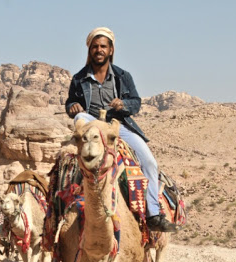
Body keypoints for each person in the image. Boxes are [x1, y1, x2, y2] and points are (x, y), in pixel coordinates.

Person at [65, 27, 177, 233]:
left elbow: (135, 102)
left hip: (118, 125)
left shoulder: (123, 76)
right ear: (90, 50)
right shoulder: (79, 78)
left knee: (150, 162)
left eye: (103, 46)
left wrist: (123, 105)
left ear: (110, 50)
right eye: (95, 46)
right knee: (80, 120)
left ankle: (153, 214)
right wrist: (73, 107)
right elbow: (71, 104)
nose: (99, 50)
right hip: (92, 123)